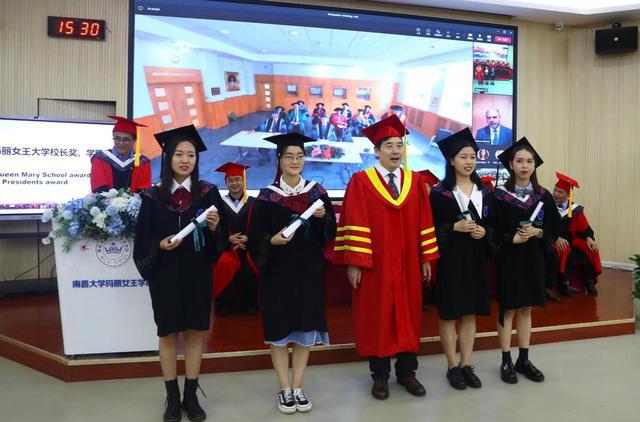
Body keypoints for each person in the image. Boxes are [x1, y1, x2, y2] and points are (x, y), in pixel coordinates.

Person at [333, 115, 439, 400]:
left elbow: (425, 221)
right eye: (389, 146)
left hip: (407, 264)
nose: (395, 151)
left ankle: (407, 373)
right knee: (377, 316)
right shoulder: (361, 181)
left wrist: (426, 258)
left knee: (408, 315)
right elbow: (353, 221)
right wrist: (355, 262)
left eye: (399, 145)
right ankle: (380, 376)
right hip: (375, 265)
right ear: (376, 151)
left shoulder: (415, 182)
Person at [133, 124, 225, 422]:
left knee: (196, 333)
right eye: (179, 154)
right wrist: (159, 245)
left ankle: (191, 396)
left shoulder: (208, 193)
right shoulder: (153, 197)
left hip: (197, 274)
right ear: (168, 157)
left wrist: (215, 228)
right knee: (168, 333)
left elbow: (221, 239)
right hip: (166, 275)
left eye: (191, 155)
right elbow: (142, 240)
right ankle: (172, 399)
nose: (185, 160)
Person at [248, 132, 336, 414]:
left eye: (299, 156)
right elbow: (254, 238)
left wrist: (323, 219)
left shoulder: (317, 194)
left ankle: (298, 387)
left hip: (308, 273)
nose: (295, 161)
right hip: (277, 275)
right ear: (279, 160)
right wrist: (270, 241)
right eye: (289, 156)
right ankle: (284, 388)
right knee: (279, 330)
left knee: (305, 328)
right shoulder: (266, 197)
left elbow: (329, 233)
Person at [429, 128, 496, 390]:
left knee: (470, 313)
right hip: (451, 262)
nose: (469, 162)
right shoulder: (439, 193)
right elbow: (429, 229)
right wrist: (452, 228)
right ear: (451, 160)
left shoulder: (485, 192)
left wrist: (485, 232)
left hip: (476, 261)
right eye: (463, 157)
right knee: (449, 314)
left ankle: (467, 364)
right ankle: (452, 366)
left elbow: (495, 226)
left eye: (473, 157)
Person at [493, 137, 560, 385]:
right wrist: (511, 239)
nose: (525, 166)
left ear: (534, 165)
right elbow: (491, 231)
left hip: (533, 260)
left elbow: (555, 229)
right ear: (511, 164)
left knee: (526, 309)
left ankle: (523, 359)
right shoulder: (498, 196)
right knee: (508, 309)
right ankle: (506, 360)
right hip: (509, 261)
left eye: (529, 161)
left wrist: (538, 232)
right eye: (519, 161)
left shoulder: (544, 196)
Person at [212, 162, 258, 316]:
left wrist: (248, 238)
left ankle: (250, 303)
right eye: (230, 180)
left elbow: (260, 225)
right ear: (225, 183)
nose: (234, 183)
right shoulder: (219, 204)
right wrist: (228, 239)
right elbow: (216, 227)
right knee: (225, 262)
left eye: (237, 179)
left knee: (250, 264)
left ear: (243, 181)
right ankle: (226, 304)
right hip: (227, 247)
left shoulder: (254, 202)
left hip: (249, 247)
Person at [552, 172, 601, 296]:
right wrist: (557, 238)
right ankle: (564, 283)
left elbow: (585, 228)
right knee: (565, 248)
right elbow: (544, 226)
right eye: (555, 190)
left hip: (571, 240)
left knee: (590, 248)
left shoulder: (575, 210)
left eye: (560, 192)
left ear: (568, 195)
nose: (555, 194)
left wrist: (590, 238)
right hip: (553, 239)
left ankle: (589, 282)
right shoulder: (548, 206)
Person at [90, 115, 151, 193]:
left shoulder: (142, 162)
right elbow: (98, 187)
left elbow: (143, 189)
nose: (121, 143)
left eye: (126, 139)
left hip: (135, 201)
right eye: (117, 138)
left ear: (134, 140)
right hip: (106, 201)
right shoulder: (101, 158)